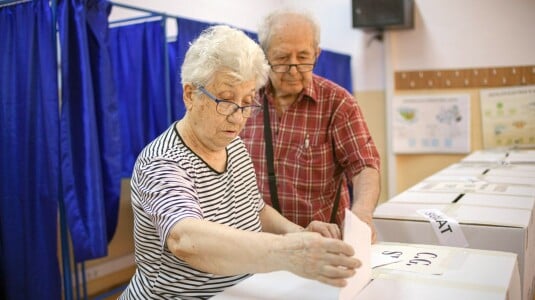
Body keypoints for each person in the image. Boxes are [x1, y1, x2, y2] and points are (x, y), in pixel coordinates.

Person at [118, 25, 361, 300]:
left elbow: (255, 210)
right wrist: (289, 252)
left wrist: (301, 232)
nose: (238, 117)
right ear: (189, 95)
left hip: (237, 292)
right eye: (225, 100)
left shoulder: (233, 145)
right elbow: (185, 239)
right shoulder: (162, 162)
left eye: (247, 103)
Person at [240, 9, 381, 241]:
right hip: (259, 244)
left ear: (317, 54)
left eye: (303, 57)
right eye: (283, 58)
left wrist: (362, 214)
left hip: (322, 245)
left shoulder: (338, 104)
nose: (293, 69)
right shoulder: (245, 100)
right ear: (264, 56)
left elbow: (364, 165)